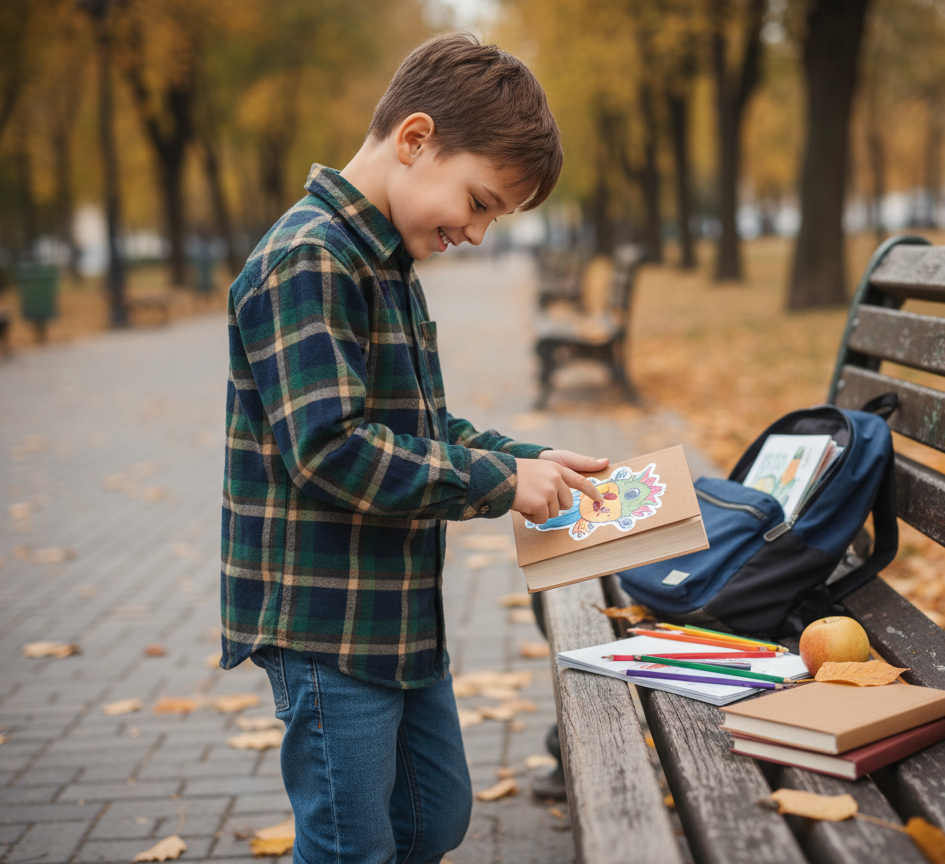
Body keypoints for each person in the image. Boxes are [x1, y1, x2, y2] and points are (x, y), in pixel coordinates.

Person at [220, 33, 606, 863]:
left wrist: (528, 460)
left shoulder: (383, 260)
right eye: (479, 202)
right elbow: (331, 449)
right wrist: (497, 483)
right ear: (416, 140)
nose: (479, 232)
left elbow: (424, 427)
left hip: (396, 614)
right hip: (327, 624)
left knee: (435, 818)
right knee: (350, 844)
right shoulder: (307, 260)